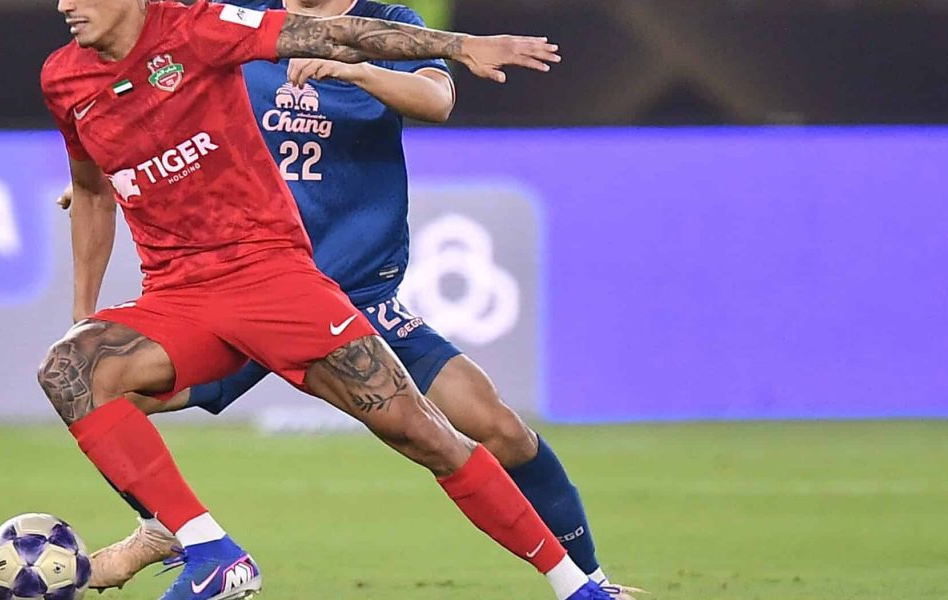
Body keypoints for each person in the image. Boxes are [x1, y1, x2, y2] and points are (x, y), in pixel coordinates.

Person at [61, 0, 643, 598]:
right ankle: (164, 528)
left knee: (496, 430)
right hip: (250, 284)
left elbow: (436, 101)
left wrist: (357, 70)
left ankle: (591, 582)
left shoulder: (389, 22)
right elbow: (172, 108)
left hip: (358, 288)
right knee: (107, 389)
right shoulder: (245, 22)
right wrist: (124, 163)